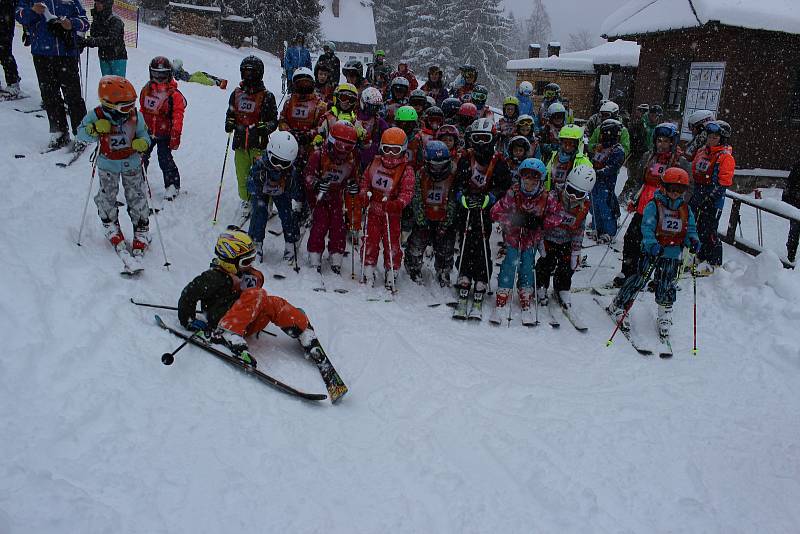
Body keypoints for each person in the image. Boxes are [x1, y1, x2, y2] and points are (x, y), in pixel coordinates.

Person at [177, 229, 324, 368]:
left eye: (251, 260)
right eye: (246, 262)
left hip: (243, 321)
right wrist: (189, 321)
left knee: (273, 302)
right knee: (258, 294)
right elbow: (188, 294)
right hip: (222, 321)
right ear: (229, 261)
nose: (250, 265)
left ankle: (302, 330)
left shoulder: (241, 274)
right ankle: (228, 333)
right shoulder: (212, 277)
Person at [606, 167, 700, 338]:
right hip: (653, 251)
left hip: (672, 253)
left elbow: (690, 229)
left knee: (667, 283)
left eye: (679, 190)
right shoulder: (654, 205)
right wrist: (652, 244)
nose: (675, 193)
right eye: (671, 189)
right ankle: (619, 304)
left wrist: (693, 241)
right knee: (639, 279)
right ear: (664, 187)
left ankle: (664, 313)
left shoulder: (685, 209)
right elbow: (647, 228)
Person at [76, 75, 151, 257]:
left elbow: (145, 135)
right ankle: (109, 223)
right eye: (125, 106)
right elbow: (81, 134)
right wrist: (92, 129)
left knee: (137, 195)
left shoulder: (135, 116)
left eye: (132, 105)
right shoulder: (97, 115)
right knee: (107, 195)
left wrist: (143, 143)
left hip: (131, 163)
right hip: (107, 164)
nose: (130, 110)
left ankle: (141, 227)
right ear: (110, 104)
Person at [452, 118, 512, 320]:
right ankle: (464, 272)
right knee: (467, 238)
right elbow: (458, 181)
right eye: (476, 139)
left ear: (492, 139)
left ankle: (482, 276)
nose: (480, 144)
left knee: (482, 240)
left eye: (484, 139)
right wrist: (461, 195)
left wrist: (491, 197)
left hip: (485, 207)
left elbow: (504, 184)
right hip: (468, 206)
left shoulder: (498, 161)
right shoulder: (466, 158)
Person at [490, 157, 561, 324]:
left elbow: (558, 217)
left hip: (531, 241)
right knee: (510, 263)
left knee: (528, 265)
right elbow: (495, 212)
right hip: (514, 238)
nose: (529, 182)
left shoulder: (546, 197)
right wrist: (513, 219)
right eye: (526, 177)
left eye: (534, 178)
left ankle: (525, 292)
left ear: (540, 180)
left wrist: (540, 222)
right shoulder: (513, 193)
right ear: (521, 177)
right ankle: (503, 292)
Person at [615, 122, 682, 286]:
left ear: (672, 142)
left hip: (663, 210)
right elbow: (640, 179)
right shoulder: (648, 157)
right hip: (644, 205)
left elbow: (686, 188)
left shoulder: (679, 162)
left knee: (658, 244)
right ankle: (628, 271)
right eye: (659, 141)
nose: (662, 145)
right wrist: (634, 198)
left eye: (666, 141)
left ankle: (658, 277)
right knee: (632, 238)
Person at [16, 0, 89, 150]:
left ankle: (82, 135)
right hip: (41, 53)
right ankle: (59, 133)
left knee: (73, 96)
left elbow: (85, 22)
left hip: (67, 55)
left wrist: (71, 23)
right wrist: (33, 11)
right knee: (50, 96)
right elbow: (19, 15)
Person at [359, 127, 416, 290]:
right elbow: (365, 180)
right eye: (387, 149)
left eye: (395, 150)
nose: (390, 154)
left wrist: (398, 203)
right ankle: (368, 267)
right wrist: (364, 194)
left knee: (392, 244)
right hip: (373, 210)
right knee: (370, 240)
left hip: (392, 214)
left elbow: (407, 191)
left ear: (403, 150)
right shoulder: (375, 163)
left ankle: (392, 270)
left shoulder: (406, 169)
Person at [225, 55, 278, 226]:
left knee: (261, 176)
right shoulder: (236, 93)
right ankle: (246, 200)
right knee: (242, 175)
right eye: (245, 72)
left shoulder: (267, 96)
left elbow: (274, 120)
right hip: (240, 143)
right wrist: (229, 122)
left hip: (258, 144)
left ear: (259, 73)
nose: (248, 76)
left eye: (251, 73)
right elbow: (230, 113)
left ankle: (266, 203)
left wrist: (266, 127)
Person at [535, 165, 595, 310]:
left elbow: (579, 230)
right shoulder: (553, 198)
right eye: (571, 191)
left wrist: (576, 251)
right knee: (545, 264)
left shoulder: (582, 208)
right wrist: (540, 241)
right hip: (549, 239)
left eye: (579, 194)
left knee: (566, 267)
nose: (573, 197)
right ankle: (541, 285)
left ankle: (562, 288)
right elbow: (541, 221)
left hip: (566, 241)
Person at [304, 120, 360, 273]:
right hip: (319, 197)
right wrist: (315, 184)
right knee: (320, 223)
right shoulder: (319, 155)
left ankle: (336, 254)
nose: (343, 151)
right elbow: (308, 175)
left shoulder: (350, 161)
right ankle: (315, 254)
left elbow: (352, 179)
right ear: (331, 141)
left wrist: (353, 186)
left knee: (338, 225)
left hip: (335, 197)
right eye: (340, 146)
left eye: (348, 147)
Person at [404, 140, 459, 287]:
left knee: (445, 249)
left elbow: (453, 201)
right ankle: (413, 267)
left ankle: (443, 271)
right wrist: (421, 221)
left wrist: (446, 222)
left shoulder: (453, 175)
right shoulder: (421, 175)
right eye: (435, 165)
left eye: (442, 164)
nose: (438, 169)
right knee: (416, 245)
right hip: (424, 218)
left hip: (444, 219)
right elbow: (416, 198)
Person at [246, 131, 300, 265]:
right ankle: (256, 242)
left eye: (284, 163)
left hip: (281, 192)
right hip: (262, 191)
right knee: (259, 211)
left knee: (287, 213)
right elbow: (249, 186)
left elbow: (296, 192)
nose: (279, 166)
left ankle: (290, 242)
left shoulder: (289, 171)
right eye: (276, 161)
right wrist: (257, 181)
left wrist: (291, 186)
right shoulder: (260, 164)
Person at [690, 120, 735, 275]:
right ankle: (701, 255)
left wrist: (710, 198)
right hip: (698, 194)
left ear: (721, 139)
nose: (711, 140)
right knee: (697, 228)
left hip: (713, 200)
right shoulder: (703, 152)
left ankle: (714, 262)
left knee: (709, 230)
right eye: (709, 136)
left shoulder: (725, 157)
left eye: (715, 137)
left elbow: (724, 183)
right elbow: (695, 171)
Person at [139, 57, 186, 200]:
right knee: (141, 157)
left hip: (165, 133)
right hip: (147, 131)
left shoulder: (174, 95)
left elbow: (178, 116)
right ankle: (140, 182)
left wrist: (175, 135)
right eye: (156, 74)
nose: (159, 78)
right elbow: (143, 109)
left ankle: (172, 184)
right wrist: (137, 127)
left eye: (163, 75)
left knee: (164, 158)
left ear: (169, 74)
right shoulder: (147, 90)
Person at [589, 119, 625, 242]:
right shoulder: (600, 147)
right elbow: (593, 160)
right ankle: (596, 227)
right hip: (595, 181)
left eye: (606, 134)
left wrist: (600, 172)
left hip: (607, 183)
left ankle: (609, 231)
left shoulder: (617, 150)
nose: (603, 137)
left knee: (605, 206)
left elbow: (612, 167)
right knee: (594, 205)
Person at [81, 0, 126, 76]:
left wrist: (93, 41)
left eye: (100, 3)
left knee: (117, 85)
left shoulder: (115, 20)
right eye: (96, 3)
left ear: (107, 4)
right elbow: (94, 35)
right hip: (104, 56)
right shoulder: (99, 19)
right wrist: (95, 17)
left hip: (117, 57)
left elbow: (111, 40)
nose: (97, 5)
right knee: (106, 85)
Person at [544, 124, 592, 191]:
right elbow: (546, 174)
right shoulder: (554, 156)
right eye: (565, 143)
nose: (567, 147)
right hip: (552, 197)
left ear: (577, 144)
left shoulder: (583, 162)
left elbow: (586, 185)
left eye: (571, 144)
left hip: (571, 197)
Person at [621, 103, 650, 202]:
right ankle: (624, 196)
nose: (641, 114)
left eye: (643, 112)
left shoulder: (648, 126)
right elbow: (630, 138)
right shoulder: (636, 125)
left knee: (639, 177)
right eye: (640, 111)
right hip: (634, 155)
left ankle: (633, 196)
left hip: (643, 155)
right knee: (633, 177)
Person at [355, 86, 388, 170]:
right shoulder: (354, 116)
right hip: (352, 154)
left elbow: (386, 139)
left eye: (377, 107)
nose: (374, 110)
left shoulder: (379, 122)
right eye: (371, 107)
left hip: (370, 160)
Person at [0, 0, 21, 98]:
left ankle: (13, 82)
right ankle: (13, 81)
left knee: (5, 52)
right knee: (5, 52)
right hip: (6, 18)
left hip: (5, 21)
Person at [783, 162, 800, 266]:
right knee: (794, 230)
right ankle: (790, 256)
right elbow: (790, 184)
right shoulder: (797, 167)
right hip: (796, 204)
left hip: (795, 203)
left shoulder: (797, 166)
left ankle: (791, 255)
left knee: (794, 231)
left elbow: (789, 184)